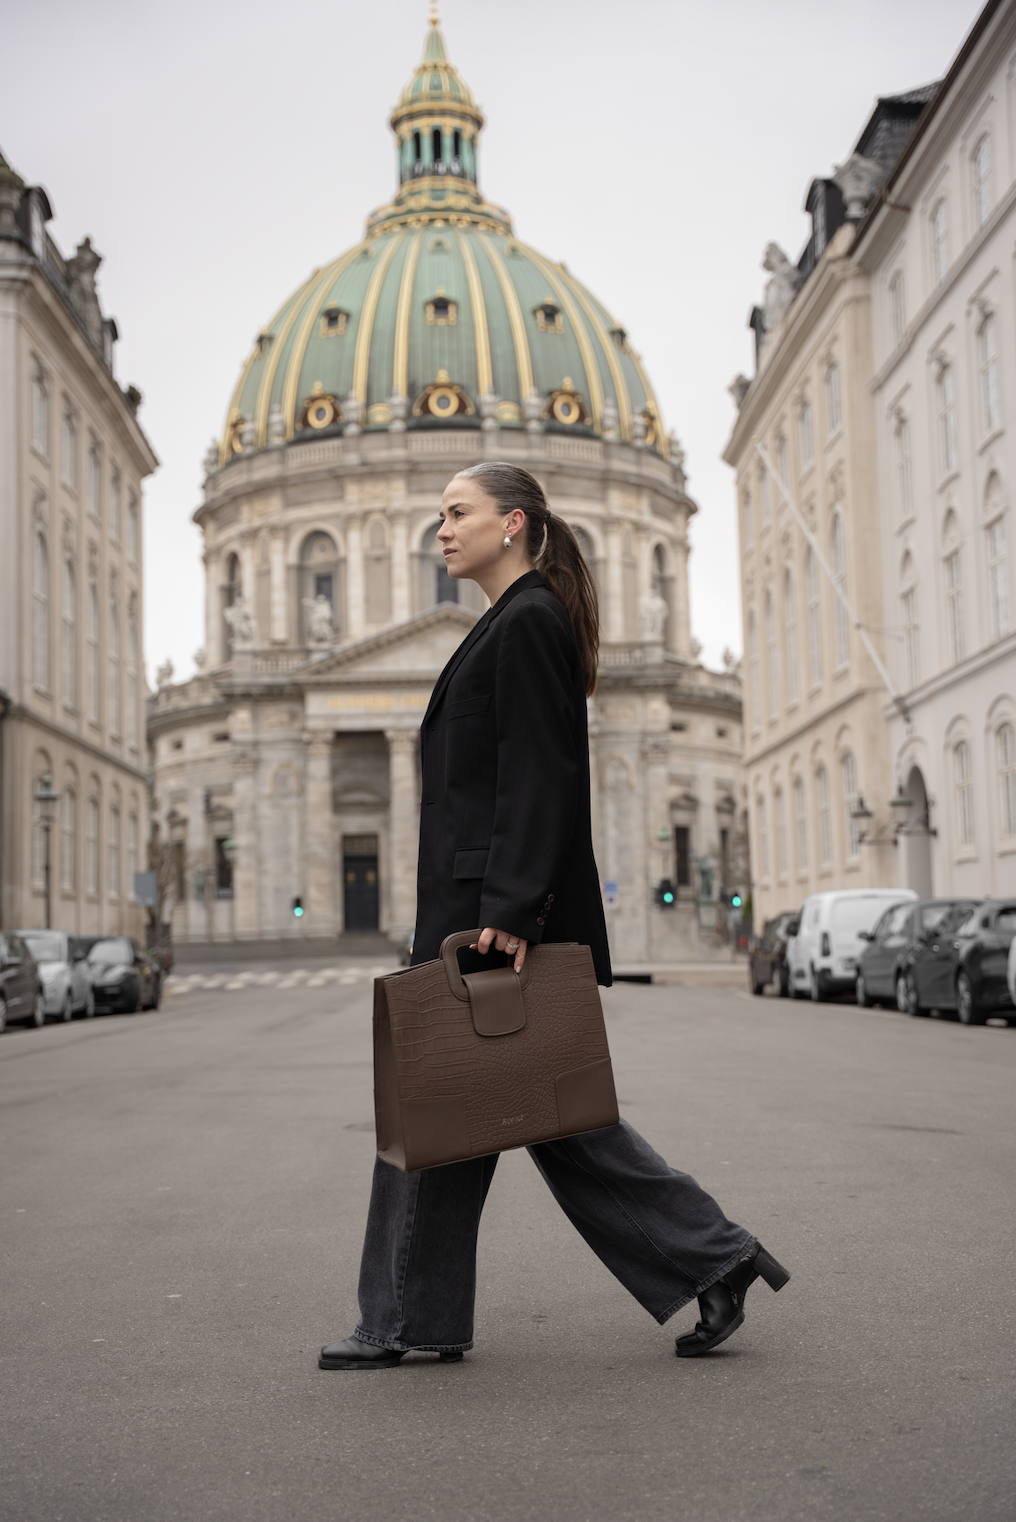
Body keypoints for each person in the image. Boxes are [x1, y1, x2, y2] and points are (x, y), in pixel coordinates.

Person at [319, 463, 788, 1370]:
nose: (441, 530)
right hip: (476, 914)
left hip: (490, 925)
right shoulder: (510, 621)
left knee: (456, 1111)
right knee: (509, 1118)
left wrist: (510, 911)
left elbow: (543, 772)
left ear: (514, 523)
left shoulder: (528, 621)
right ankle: (713, 1260)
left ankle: (403, 1322)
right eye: (439, 514)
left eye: (458, 513)